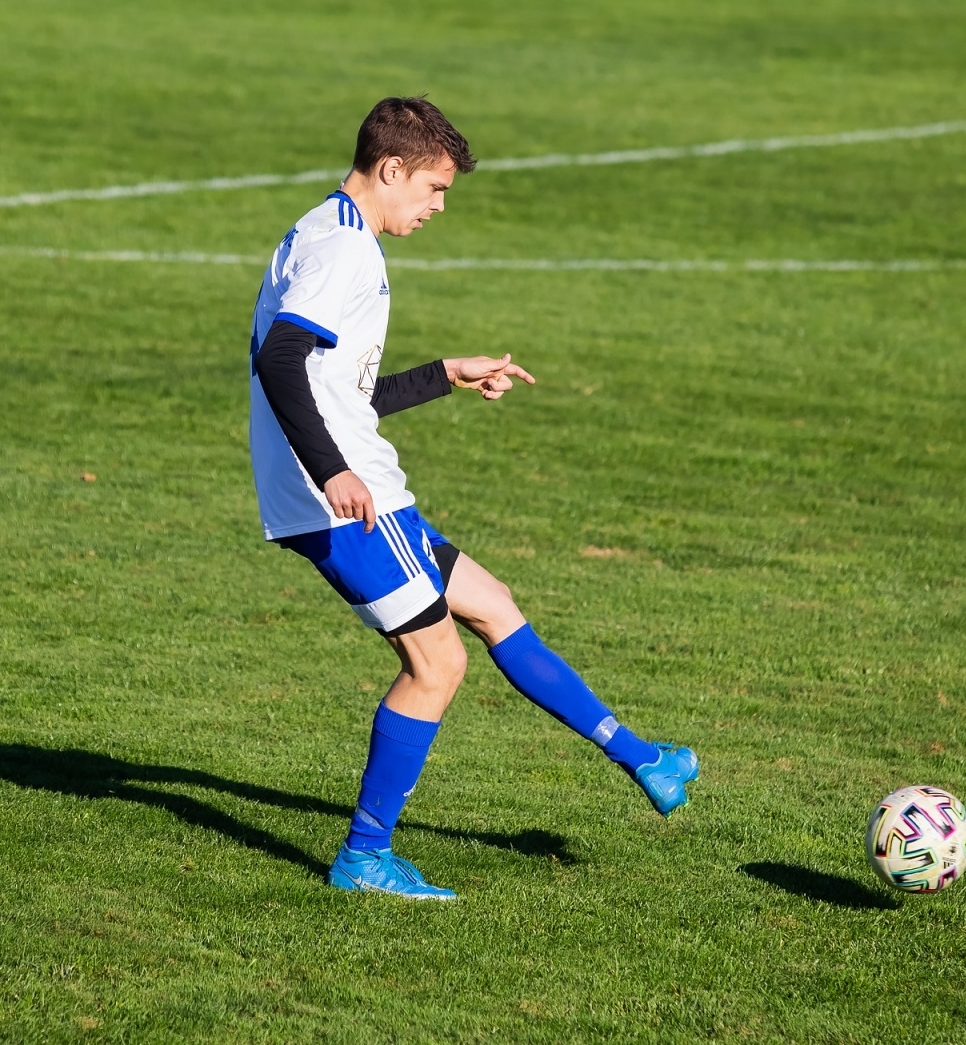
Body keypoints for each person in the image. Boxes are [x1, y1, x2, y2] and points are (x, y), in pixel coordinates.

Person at [247, 96, 698, 900]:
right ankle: (364, 857)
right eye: (434, 188)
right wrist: (334, 471)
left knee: (491, 603)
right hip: (346, 502)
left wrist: (443, 374)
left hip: (356, 490)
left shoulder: (328, 232)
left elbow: (340, 392)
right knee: (438, 664)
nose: (439, 207)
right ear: (392, 169)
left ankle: (645, 759)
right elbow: (280, 361)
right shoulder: (344, 251)